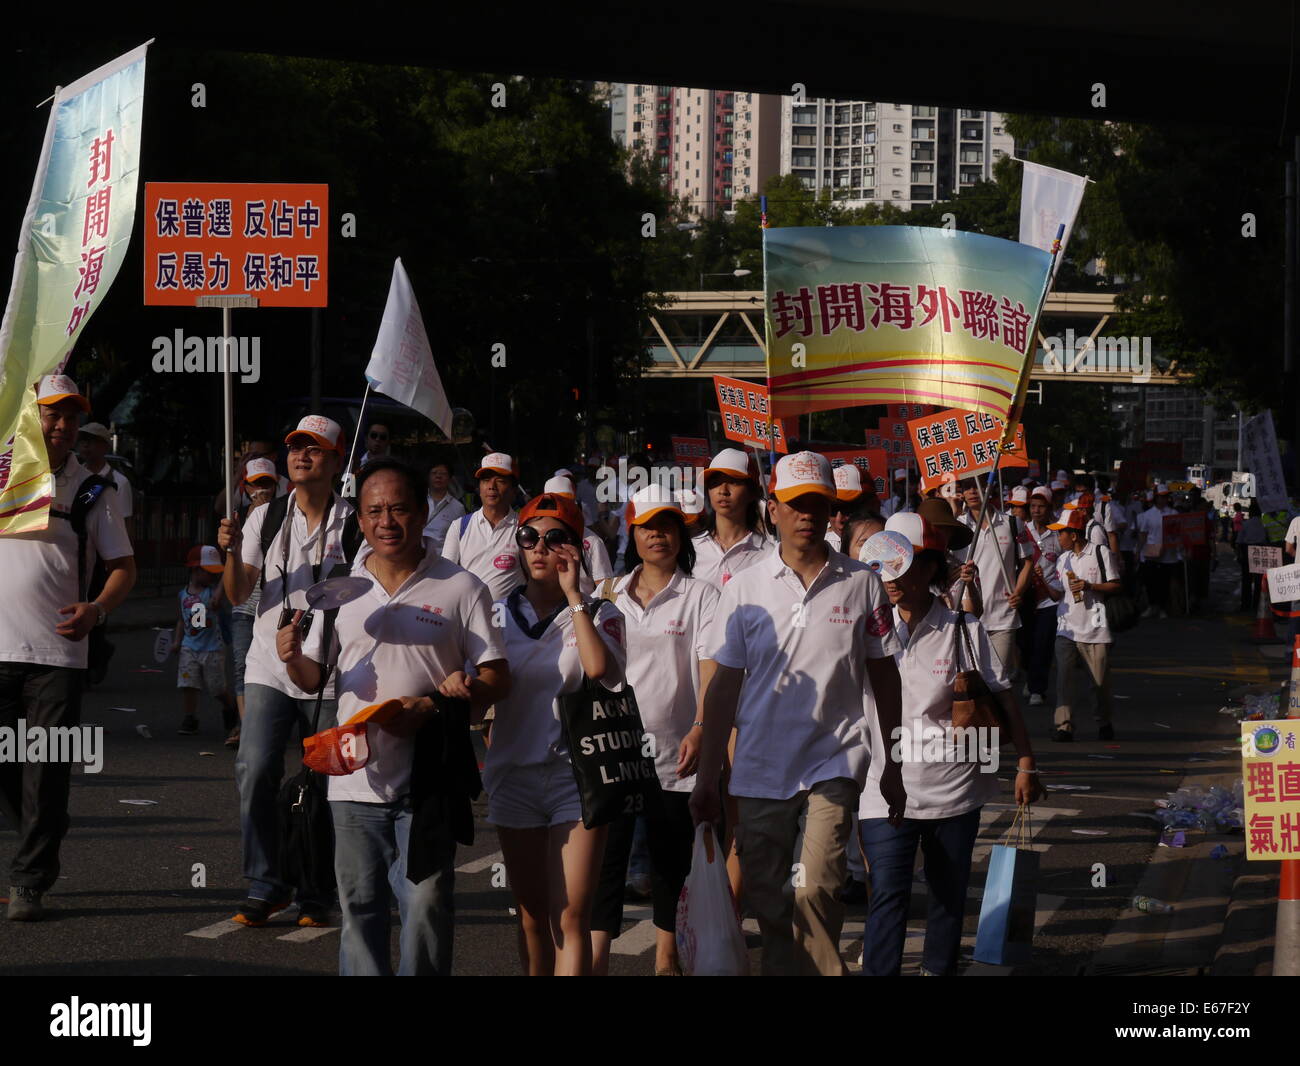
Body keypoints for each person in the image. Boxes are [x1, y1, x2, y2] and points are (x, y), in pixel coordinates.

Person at [279, 459, 510, 975]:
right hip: (353, 780)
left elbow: (499, 677)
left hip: (431, 777)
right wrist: (292, 655)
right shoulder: (339, 590)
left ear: (423, 511)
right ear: (359, 520)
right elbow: (312, 681)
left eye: (399, 509)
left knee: (426, 905)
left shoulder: (460, 586)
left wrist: (437, 704)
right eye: (375, 511)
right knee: (359, 911)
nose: (387, 521)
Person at [690, 451, 906, 977]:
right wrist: (707, 776)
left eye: (817, 504)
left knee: (818, 888)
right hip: (760, 769)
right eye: (795, 505)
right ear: (774, 509)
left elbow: (885, 677)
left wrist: (894, 764)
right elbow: (722, 687)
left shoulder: (862, 583)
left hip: (833, 762)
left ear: (832, 510)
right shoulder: (743, 589)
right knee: (769, 904)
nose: (806, 514)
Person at [857, 511, 1042, 976]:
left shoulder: (965, 628)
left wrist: (1025, 762)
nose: (891, 577)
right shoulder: (864, 628)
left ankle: (938, 969)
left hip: (954, 789)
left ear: (931, 568)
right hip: (883, 788)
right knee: (888, 894)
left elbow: (1004, 698)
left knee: (946, 895)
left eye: (904, 564)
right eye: (882, 565)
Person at [1, 375, 136, 921]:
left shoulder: (91, 491)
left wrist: (97, 610)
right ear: (30, 418)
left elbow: (123, 568)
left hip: (57, 654)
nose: (61, 427)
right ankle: (45, 822)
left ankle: (29, 881)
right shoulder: (5, 472)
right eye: (51, 415)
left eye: (71, 418)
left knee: (46, 770)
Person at [217, 415, 356, 927]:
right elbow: (237, 594)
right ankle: (266, 881)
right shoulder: (265, 518)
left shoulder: (356, 522)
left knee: (323, 782)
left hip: (332, 673)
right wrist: (230, 551)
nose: (301, 456)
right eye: (296, 446)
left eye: (315, 449)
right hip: (268, 666)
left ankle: (316, 889)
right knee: (254, 767)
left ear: (337, 459)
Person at [482, 492, 627, 976]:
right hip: (513, 773)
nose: (540, 548)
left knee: (571, 915)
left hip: (577, 777)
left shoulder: (602, 613)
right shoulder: (495, 614)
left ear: (578, 547)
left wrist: (574, 599)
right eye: (530, 537)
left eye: (555, 538)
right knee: (531, 917)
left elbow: (600, 669)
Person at [590, 486, 719, 976]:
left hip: (675, 750)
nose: (657, 536)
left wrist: (703, 727)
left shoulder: (702, 594)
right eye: (647, 527)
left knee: (670, 860)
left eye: (666, 526)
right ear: (633, 533)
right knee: (607, 861)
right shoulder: (607, 594)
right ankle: (597, 957)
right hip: (614, 748)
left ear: (680, 532)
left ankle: (667, 957)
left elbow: (710, 667)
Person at [1046, 508, 1123, 742]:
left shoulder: (1101, 553)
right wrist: (1040, 580)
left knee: (1099, 684)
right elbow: (1057, 595)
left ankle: (1104, 721)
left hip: (1095, 629)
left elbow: (1116, 585)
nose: (1058, 538)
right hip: (1066, 629)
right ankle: (1064, 725)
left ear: (1074, 535)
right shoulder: (1063, 559)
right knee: (1063, 680)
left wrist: (1090, 586)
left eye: (1061, 533)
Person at [954, 476, 1033, 684]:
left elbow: (1027, 562)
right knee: (970, 682)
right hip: (966, 615)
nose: (972, 491)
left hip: (1002, 617)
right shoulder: (956, 526)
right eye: (967, 487)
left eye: (976, 486)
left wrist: (1018, 592)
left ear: (990, 488)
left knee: (998, 683)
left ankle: (998, 718)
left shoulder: (1012, 523)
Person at [76, 422, 132, 687]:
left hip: (103, 558)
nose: (85, 446)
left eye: (92, 441)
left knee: (97, 609)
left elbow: (125, 524)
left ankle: (96, 657)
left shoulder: (118, 482)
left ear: (104, 446)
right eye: (83, 440)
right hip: (78, 555)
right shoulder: (74, 477)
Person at [171, 545, 237, 737]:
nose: (212, 576)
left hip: (212, 648)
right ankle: (190, 717)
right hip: (189, 647)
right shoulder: (183, 594)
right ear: (195, 570)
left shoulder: (212, 593)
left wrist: (222, 583)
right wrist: (177, 641)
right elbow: (181, 620)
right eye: (208, 572)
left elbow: (222, 585)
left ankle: (229, 706)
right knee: (188, 684)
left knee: (217, 688)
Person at [442, 452, 523, 602]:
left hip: (510, 621)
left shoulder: (524, 529)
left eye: (500, 481)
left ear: (513, 490)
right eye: (485, 480)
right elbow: (446, 577)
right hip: (467, 618)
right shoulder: (459, 527)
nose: (491, 486)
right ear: (479, 488)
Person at [691, 448, 773, 589]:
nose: (723, 490)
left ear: (752, 491)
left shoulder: (769, 555)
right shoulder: (691, 550)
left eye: (733, 482)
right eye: (715, 482)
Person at [1019, 487, 1062, 708]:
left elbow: (1063, 565)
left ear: (1050, 508)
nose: (1036, 510)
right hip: (1026, 597)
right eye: (1033, 506)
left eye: (1041, 506)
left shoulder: (1058, 533)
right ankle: (1030, 675)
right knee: (1025, 644)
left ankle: (1038, 688)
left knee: (1042, 645)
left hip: (1049, 598)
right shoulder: (1021, 530)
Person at [545, 475, 614, 591]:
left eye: (566, 502)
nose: (561, 508)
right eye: (555, 503)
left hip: (582, 608)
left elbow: (606, 590)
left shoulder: (592, 542)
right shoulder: (535, 540)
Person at [1135, 484, 1180, 619]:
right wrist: (1138, 552)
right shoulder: (1148, 515)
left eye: (1166, 497)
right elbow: (1143, 535)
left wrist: (1181, 549)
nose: (1164, 499)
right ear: (1156, 498)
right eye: (1161, 497)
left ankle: (1162, 608)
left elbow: (1179, 533)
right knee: (1150, 582)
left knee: (1164, 582)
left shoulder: (1174, 514)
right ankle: (1151, 606)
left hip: (1169, 554)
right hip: (1151, 552)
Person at [422, 461, 467, 556]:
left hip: (440, 561)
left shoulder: (458, 508)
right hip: (414, 558)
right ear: (428, 477)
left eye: (443, 474)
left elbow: (461, 539)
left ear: (450, 479)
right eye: (434, 473)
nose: (438, 476)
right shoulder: (416, 500)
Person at [1238, 501, 1267, 613]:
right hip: (1261, 552)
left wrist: (1239, 554)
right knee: (1259, 580)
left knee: (1246, 580)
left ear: (1250, 512)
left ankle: (1245, 605)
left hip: (1247, 551)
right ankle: (1257, 605)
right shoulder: (1264, 524)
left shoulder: (1245, 524)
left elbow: (1239, 541)